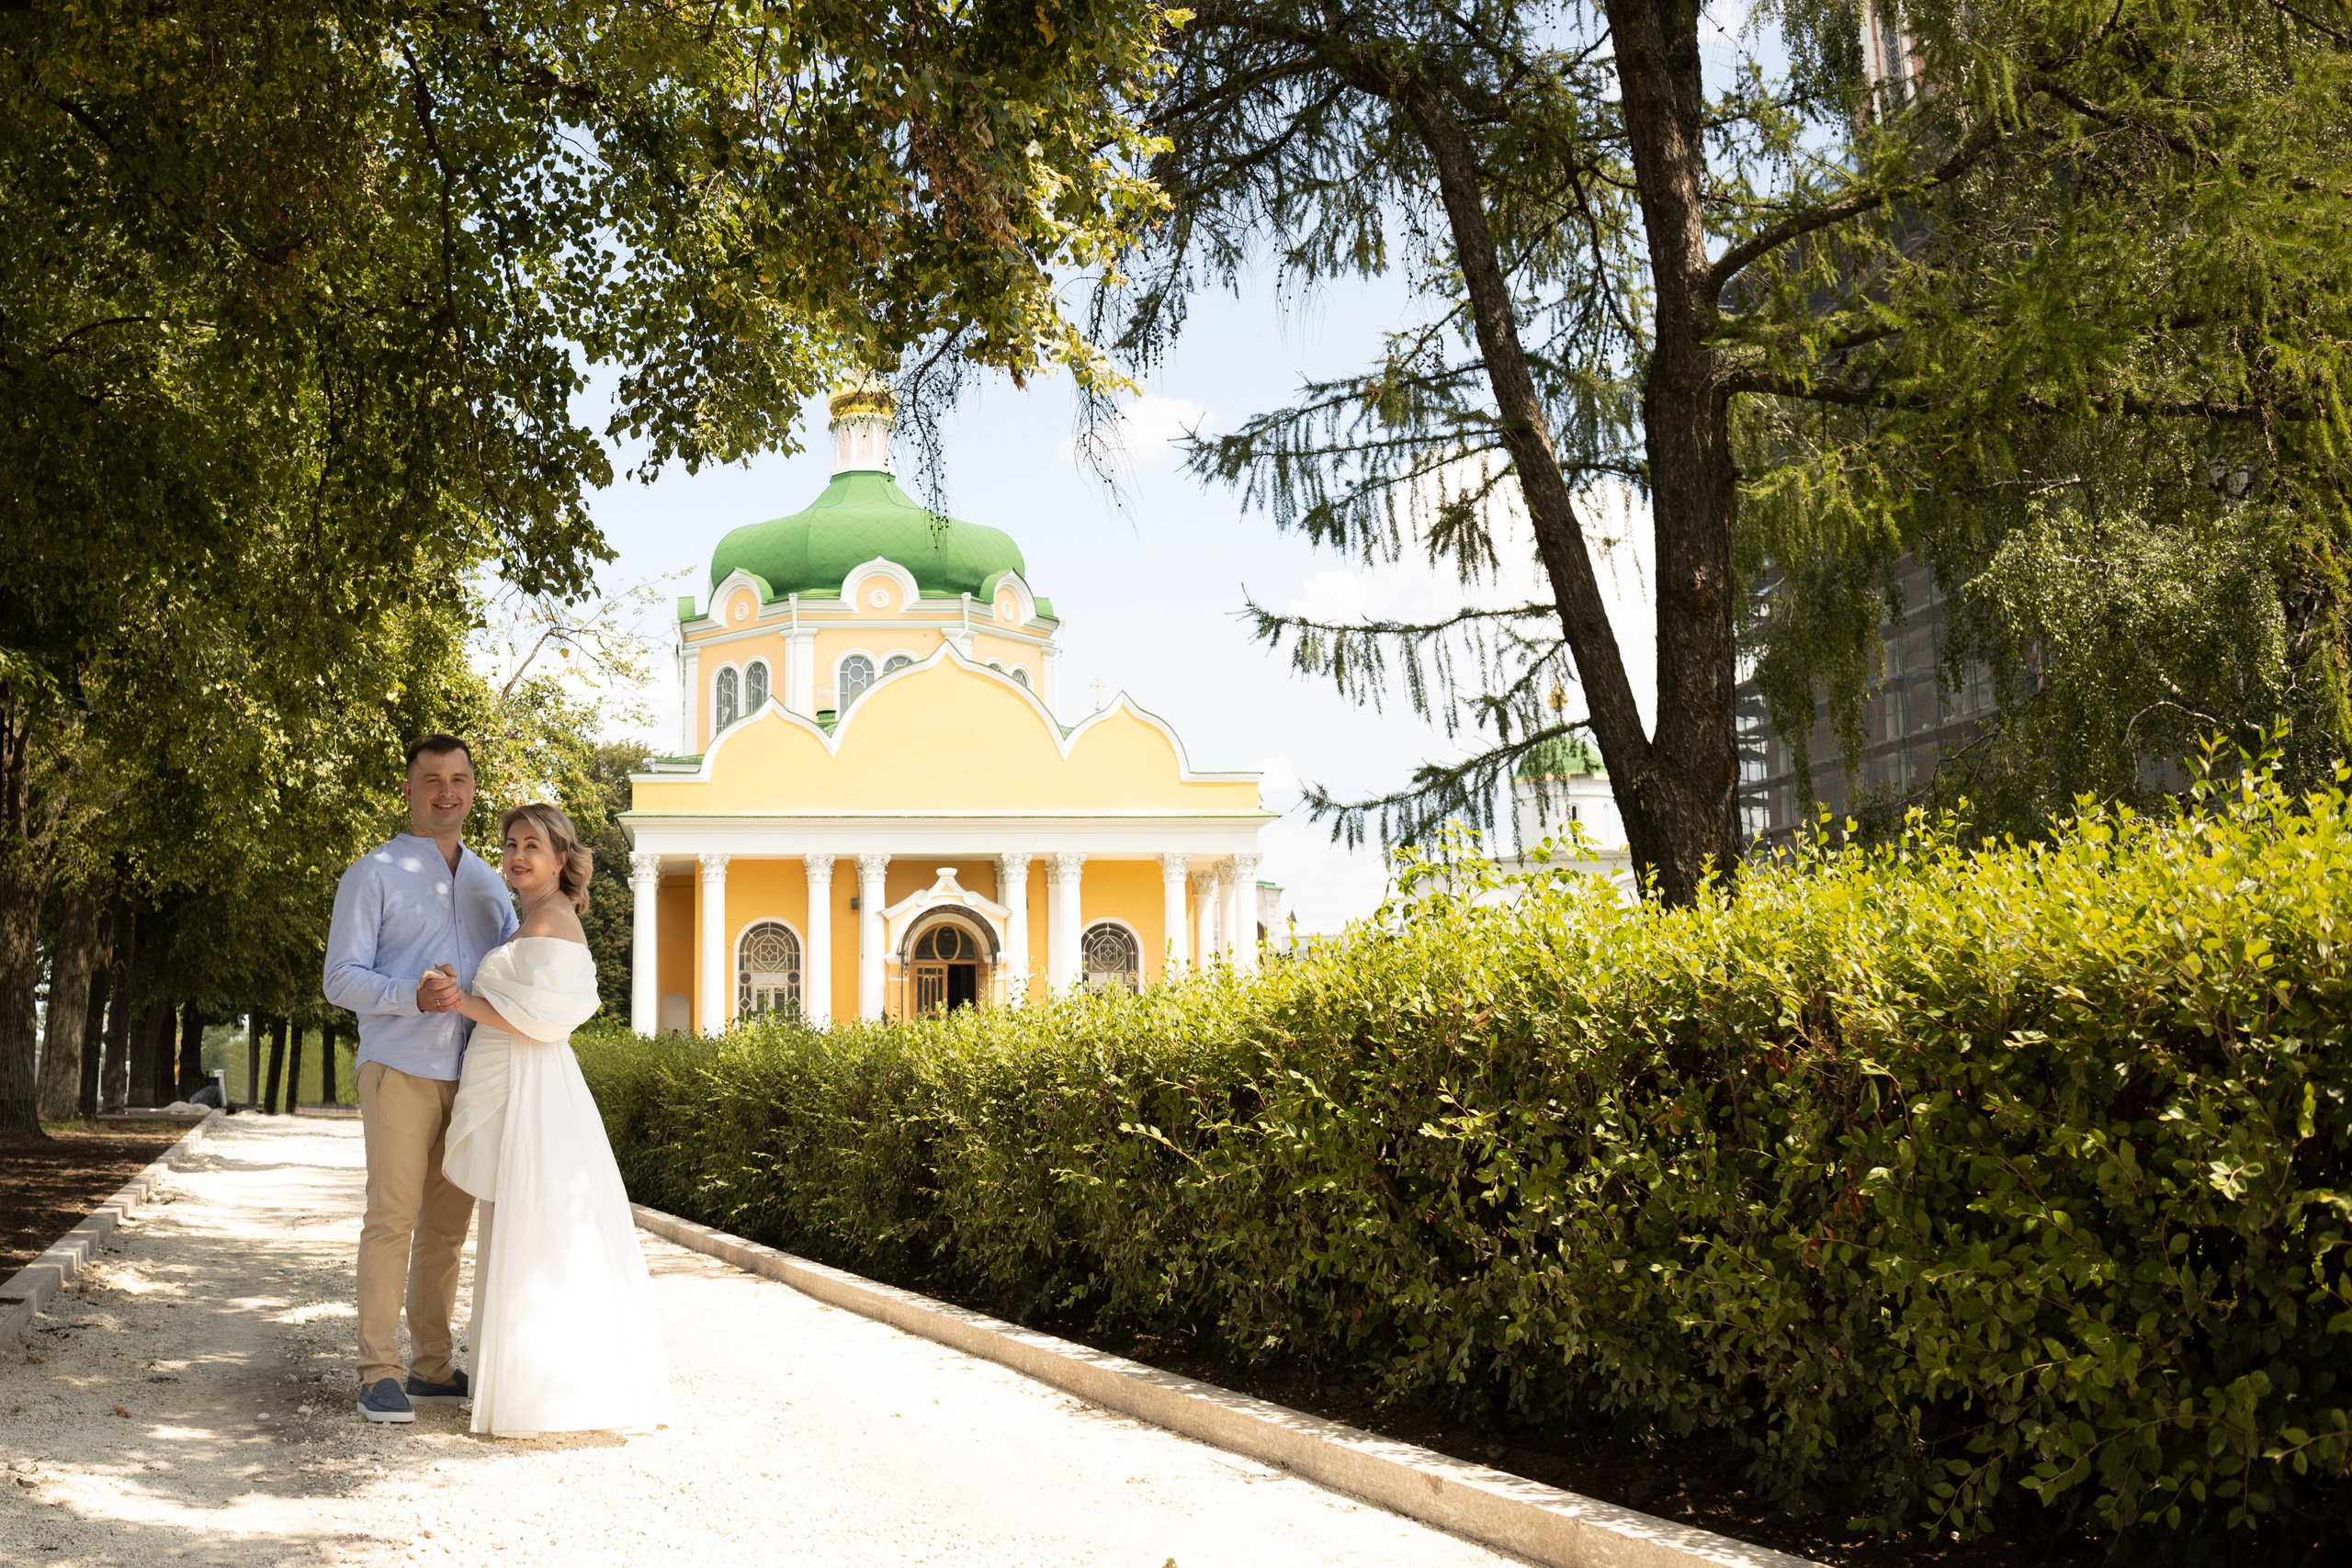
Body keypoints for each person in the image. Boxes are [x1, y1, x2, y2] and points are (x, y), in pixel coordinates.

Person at [442, 801, 670, 1437]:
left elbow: (546, 1021)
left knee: (536, 1221)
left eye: (531, 846)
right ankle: (518, 1374)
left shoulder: (552, 920)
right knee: (522, 1220)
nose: (516, 855)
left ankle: (542, 1387)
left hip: (532, 1084)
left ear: (561, 857)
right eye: (511, 843)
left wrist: (462, 1000)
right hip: (518, 1076)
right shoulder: (532, 918)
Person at [323, 735, 517, 1424]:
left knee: (446, 1229)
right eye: (432, 779)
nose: (447, 791)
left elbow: (514, 972)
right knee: (393, 1217)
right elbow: (339, 977)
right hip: (400, 1068)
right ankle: (377, 1368)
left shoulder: (492, 884)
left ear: (471, 788)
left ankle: (432, 1366)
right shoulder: (371, 873)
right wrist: (413, 993)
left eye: (459, 779)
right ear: (408, 789)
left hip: (473, 1078)